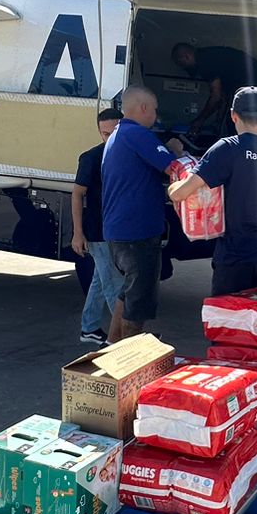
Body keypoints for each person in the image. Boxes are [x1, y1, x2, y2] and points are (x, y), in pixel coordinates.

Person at [168, 86, 257, 296]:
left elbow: (181, 194)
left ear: (233, 115)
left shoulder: (226, 149)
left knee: (228, 324)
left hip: (235, 256)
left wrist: (172, 185)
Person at [101, 85, 182, 342]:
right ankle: (129, 360)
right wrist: (175, 149)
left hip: (120, 231)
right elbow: (171, 165)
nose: (156, 115)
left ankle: (112, 346)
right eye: (155, 109)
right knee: (138, 300)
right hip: (138, 233)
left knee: (128, 293)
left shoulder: (118, 135)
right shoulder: (137, 134)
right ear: (144, 108)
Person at [71, 107, 122, 347]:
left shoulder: (126, 155)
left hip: (116, 230)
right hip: (97, 232)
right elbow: (77, 194)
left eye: (114, 132)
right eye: (104, 133)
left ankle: (89, 328)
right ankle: (123, 337)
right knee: (114, 284)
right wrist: (78, 234)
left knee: (100, 281)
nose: (109, 137)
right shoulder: (91, 158)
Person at [171, 41, 257, 142]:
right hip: (254, 79)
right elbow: (222, 95)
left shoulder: (205, 62)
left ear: (187, 56)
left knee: (235, 121)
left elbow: (216, 96)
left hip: (254, 81)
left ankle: (240, 150)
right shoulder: (209, 56)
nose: (182, 67)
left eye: (181, 63)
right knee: (234, 120)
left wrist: (199, 121)